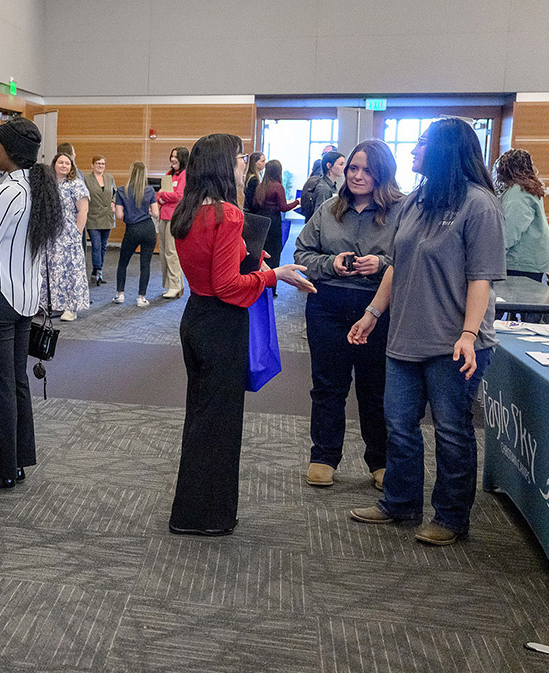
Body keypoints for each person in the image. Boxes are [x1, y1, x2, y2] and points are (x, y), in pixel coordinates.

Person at [348, 118, 506, 546]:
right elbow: (397, 265)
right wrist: (372, 314)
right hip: (405, 337)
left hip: (453, 343)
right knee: (399, 425)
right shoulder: (417, 199)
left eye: (421, 144)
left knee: (452, 432)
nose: (413, 151)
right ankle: (399, 503)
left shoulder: (480, 205)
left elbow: (481, 279)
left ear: (444, 152)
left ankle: (451, 518)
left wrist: (469, 335)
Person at [167, 134, 315, 536]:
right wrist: (272, 274)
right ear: (221, 165)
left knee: (200, 418)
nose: (243, 166)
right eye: (238, 159)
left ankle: (190, 512)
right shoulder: (227, 216)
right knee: (220, 423)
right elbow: (229, 287)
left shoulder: (187, 210)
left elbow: (210, 273)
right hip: (221, 322)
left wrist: (252, 260)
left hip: (195, 317)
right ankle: (209, 517)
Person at [0, 118, 64, 488]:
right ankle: (17, 461)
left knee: (0, 387)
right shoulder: (41, 189)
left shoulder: (7, 192)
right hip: (24, 300)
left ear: (11, 152)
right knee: (16, 382)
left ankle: (2, 469)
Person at [294, 140, 403, 490]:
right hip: (328, 306)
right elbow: (302, 252)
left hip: (378, 309)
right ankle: (324, 456)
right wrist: (330, 263)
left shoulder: (401, 212)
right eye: (353, 168)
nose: (357, 175)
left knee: (375, 389)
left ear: (382, 174)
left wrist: (382, 264)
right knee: (328, 386)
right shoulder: (329, 208)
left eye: (367, 170)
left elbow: (414, 260)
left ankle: (381, 461)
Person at [42, 153, 91, 320]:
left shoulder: (76, 185)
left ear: (71, 166)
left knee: (70, 270)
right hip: (50, 234)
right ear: (54, 164)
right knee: (51, 269)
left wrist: (77, 232)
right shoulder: (48, 185)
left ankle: (71, 308)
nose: (64, 165)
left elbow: (83, 211)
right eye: (61, 162)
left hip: (69, 234)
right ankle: (52, 304)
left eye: (67, 163)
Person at [494, 149, 549, 282]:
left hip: (519, 265)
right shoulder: (530, 188)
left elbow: (508, 232)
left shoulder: (518, 193)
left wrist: (490, 260)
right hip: (532, 262)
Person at [112, 161, 159, 307]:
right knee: (145, 264)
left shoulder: (121, 191)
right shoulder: (150, 190)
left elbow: (119, 215)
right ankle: (141, 297)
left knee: (123, 262)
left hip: (132, 229)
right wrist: (147, 212)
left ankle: (120, 294)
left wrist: (116, 209)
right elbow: (156, 214)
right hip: (148, 228)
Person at [157, 147, 189, 299]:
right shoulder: (169, 174)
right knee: (163, 251)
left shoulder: (185, 174)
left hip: (175, 217)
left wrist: (164, 196)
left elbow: (179, 196)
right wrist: (163, 196)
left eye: (176, 156)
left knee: (171, 252)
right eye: (171, 156)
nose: (173, 159)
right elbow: (159, 195)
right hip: (163, 216)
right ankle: (173, 284)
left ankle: (175, 285)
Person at [252, 160, 297, 269]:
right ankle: (272, 280)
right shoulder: (277, 186)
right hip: (273, 222)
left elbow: (254, 205)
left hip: (261, 221)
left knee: (263, 251)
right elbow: (283, 208)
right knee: (274, 252)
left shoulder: (260, 186)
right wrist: (297, 202)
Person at [85, 155, 115, 286]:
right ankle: (96, 270)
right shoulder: (86, 179)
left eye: (103, 164)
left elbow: (115, 193)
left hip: (107, 216)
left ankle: (99, 270)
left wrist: (114, 203)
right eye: (98, 163)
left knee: (103, 246)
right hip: (93, 216)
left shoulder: (109, 178)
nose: (100, 166)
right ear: (92, 165)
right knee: (96, 245)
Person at [301, 151, 345, 222]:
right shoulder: (324, 188)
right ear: (329, 166)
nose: (344, 167)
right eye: (341, 164)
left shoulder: (331, 185)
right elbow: (319, 217)